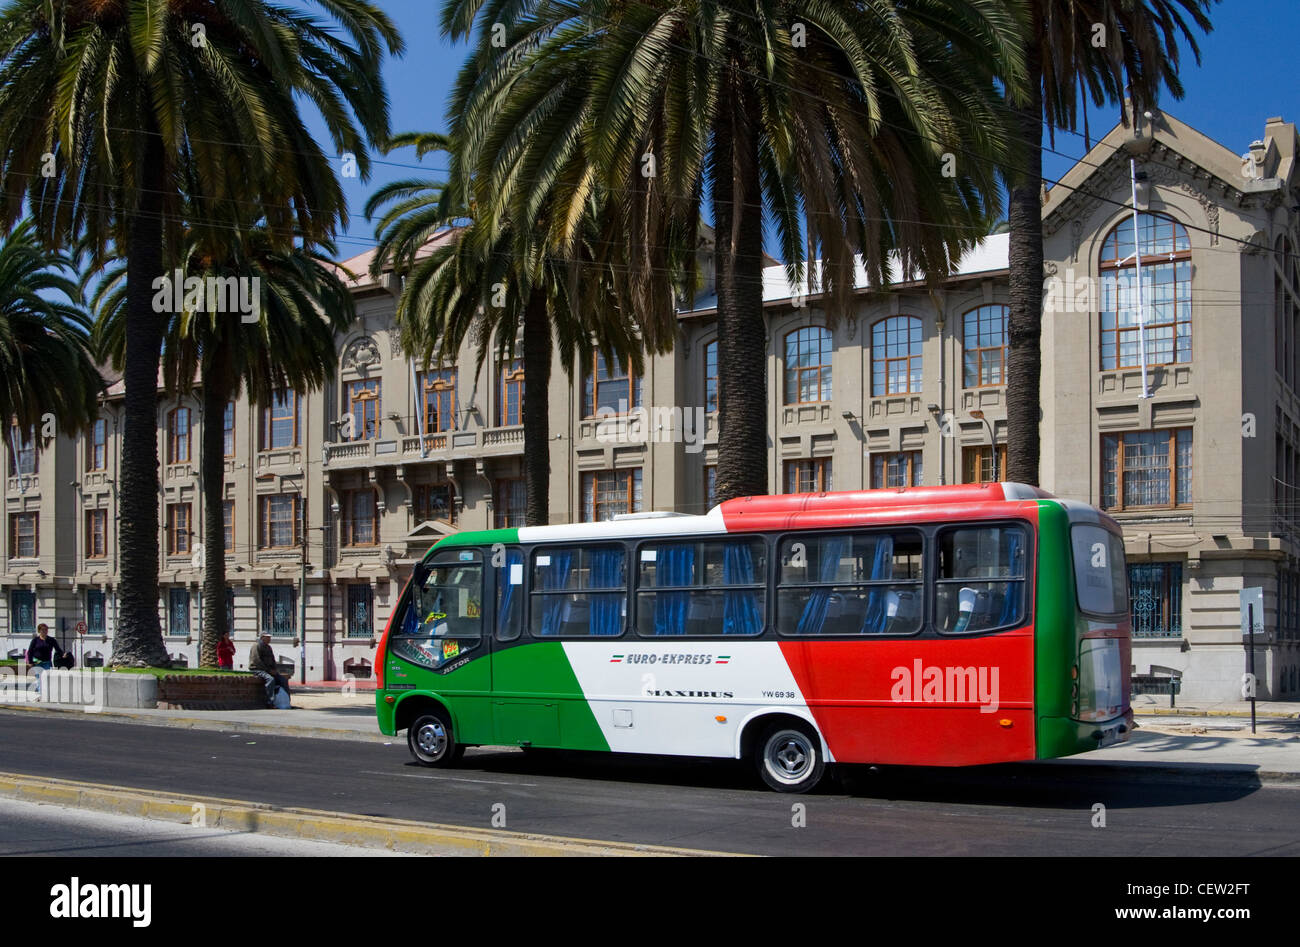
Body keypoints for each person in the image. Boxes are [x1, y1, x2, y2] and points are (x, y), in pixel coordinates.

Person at [248, 631, 291, 707]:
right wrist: (268, 670)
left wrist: (274, 669)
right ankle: (269, 701)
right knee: (270, 680)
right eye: (267, 637)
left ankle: (287, 701)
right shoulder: (256, 646)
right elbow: (257, 661)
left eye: (270, 637)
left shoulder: (268, 647)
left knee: (283, 680)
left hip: (269, 670)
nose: (269, 639)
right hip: (257, 669)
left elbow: (273, 660)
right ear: (262, 638)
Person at [26, 623, 65, 696]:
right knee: (39, 678)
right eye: (42, 630)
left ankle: (43, 692)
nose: (44, 631)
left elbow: (58, 649)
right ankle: (42, 694)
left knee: (47, 678)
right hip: (37, 662)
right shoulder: (35, 640)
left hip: (47, 662)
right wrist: (30, 662)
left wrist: (63, 654)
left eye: (46, 630)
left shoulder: (51, 640)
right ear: (39, 631)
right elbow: (30, 651)